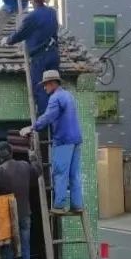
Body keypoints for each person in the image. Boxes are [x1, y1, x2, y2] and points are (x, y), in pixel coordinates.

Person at [20, 70, 83, 213]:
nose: (44, 88)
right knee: (74, 174)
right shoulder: (69, 95)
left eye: (46, 85)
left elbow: (49, 116)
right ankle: (77, 205)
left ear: (53, 83)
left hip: (63, 140)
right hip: (76, 139)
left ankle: (59, 205)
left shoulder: (55, 98)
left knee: (60, 172)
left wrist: (32, 127)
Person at [1, 0, 59, 115]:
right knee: (53, 86)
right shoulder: (52, 12)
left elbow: (21, 33)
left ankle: (45, 120)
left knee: (41, 87)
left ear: (33, 1)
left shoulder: (32, 17)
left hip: (40, 57)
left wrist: (7, 40)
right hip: (54, 54)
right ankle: (55, 116)